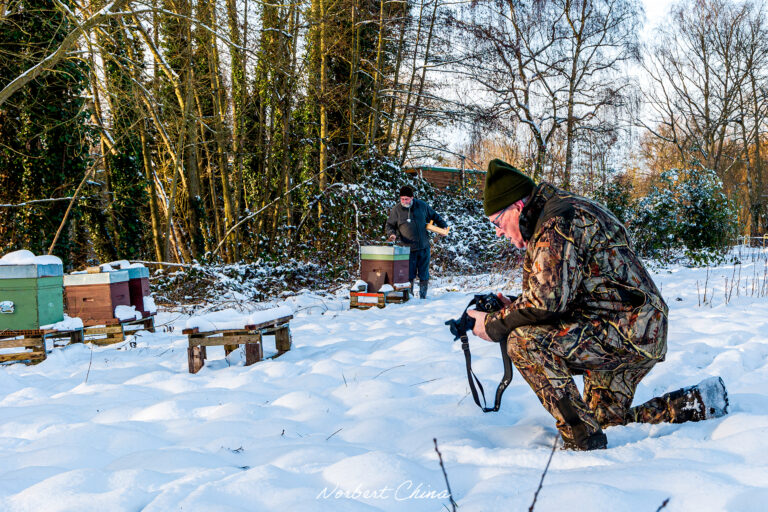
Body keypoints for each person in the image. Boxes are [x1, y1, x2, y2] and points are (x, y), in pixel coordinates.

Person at [466, 159, 728, 451]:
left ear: (516, 206)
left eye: (497, 222)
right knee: (606, 421)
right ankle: (696, 402)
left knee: (523, 341)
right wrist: (513, 305)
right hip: (633, 327)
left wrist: (492, 324)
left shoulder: (556, 221)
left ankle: (583, 444)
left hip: (625, 331)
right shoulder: (561, 209)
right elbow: (563, 294)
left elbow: (548, 303)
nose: (499, 232)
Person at [386, 185, 448, 299]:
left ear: (412, 198)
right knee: (409, 275)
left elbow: (435, 216)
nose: (404, 201)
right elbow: (390, 225)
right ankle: (409, 297)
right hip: (407, 249)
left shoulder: (422, 206)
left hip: (424, 247)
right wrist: (392, 234)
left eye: (407, 199)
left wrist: (443, 226)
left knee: (424, 274)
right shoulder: (396, 210)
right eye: (402, 199)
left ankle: (423, 296)